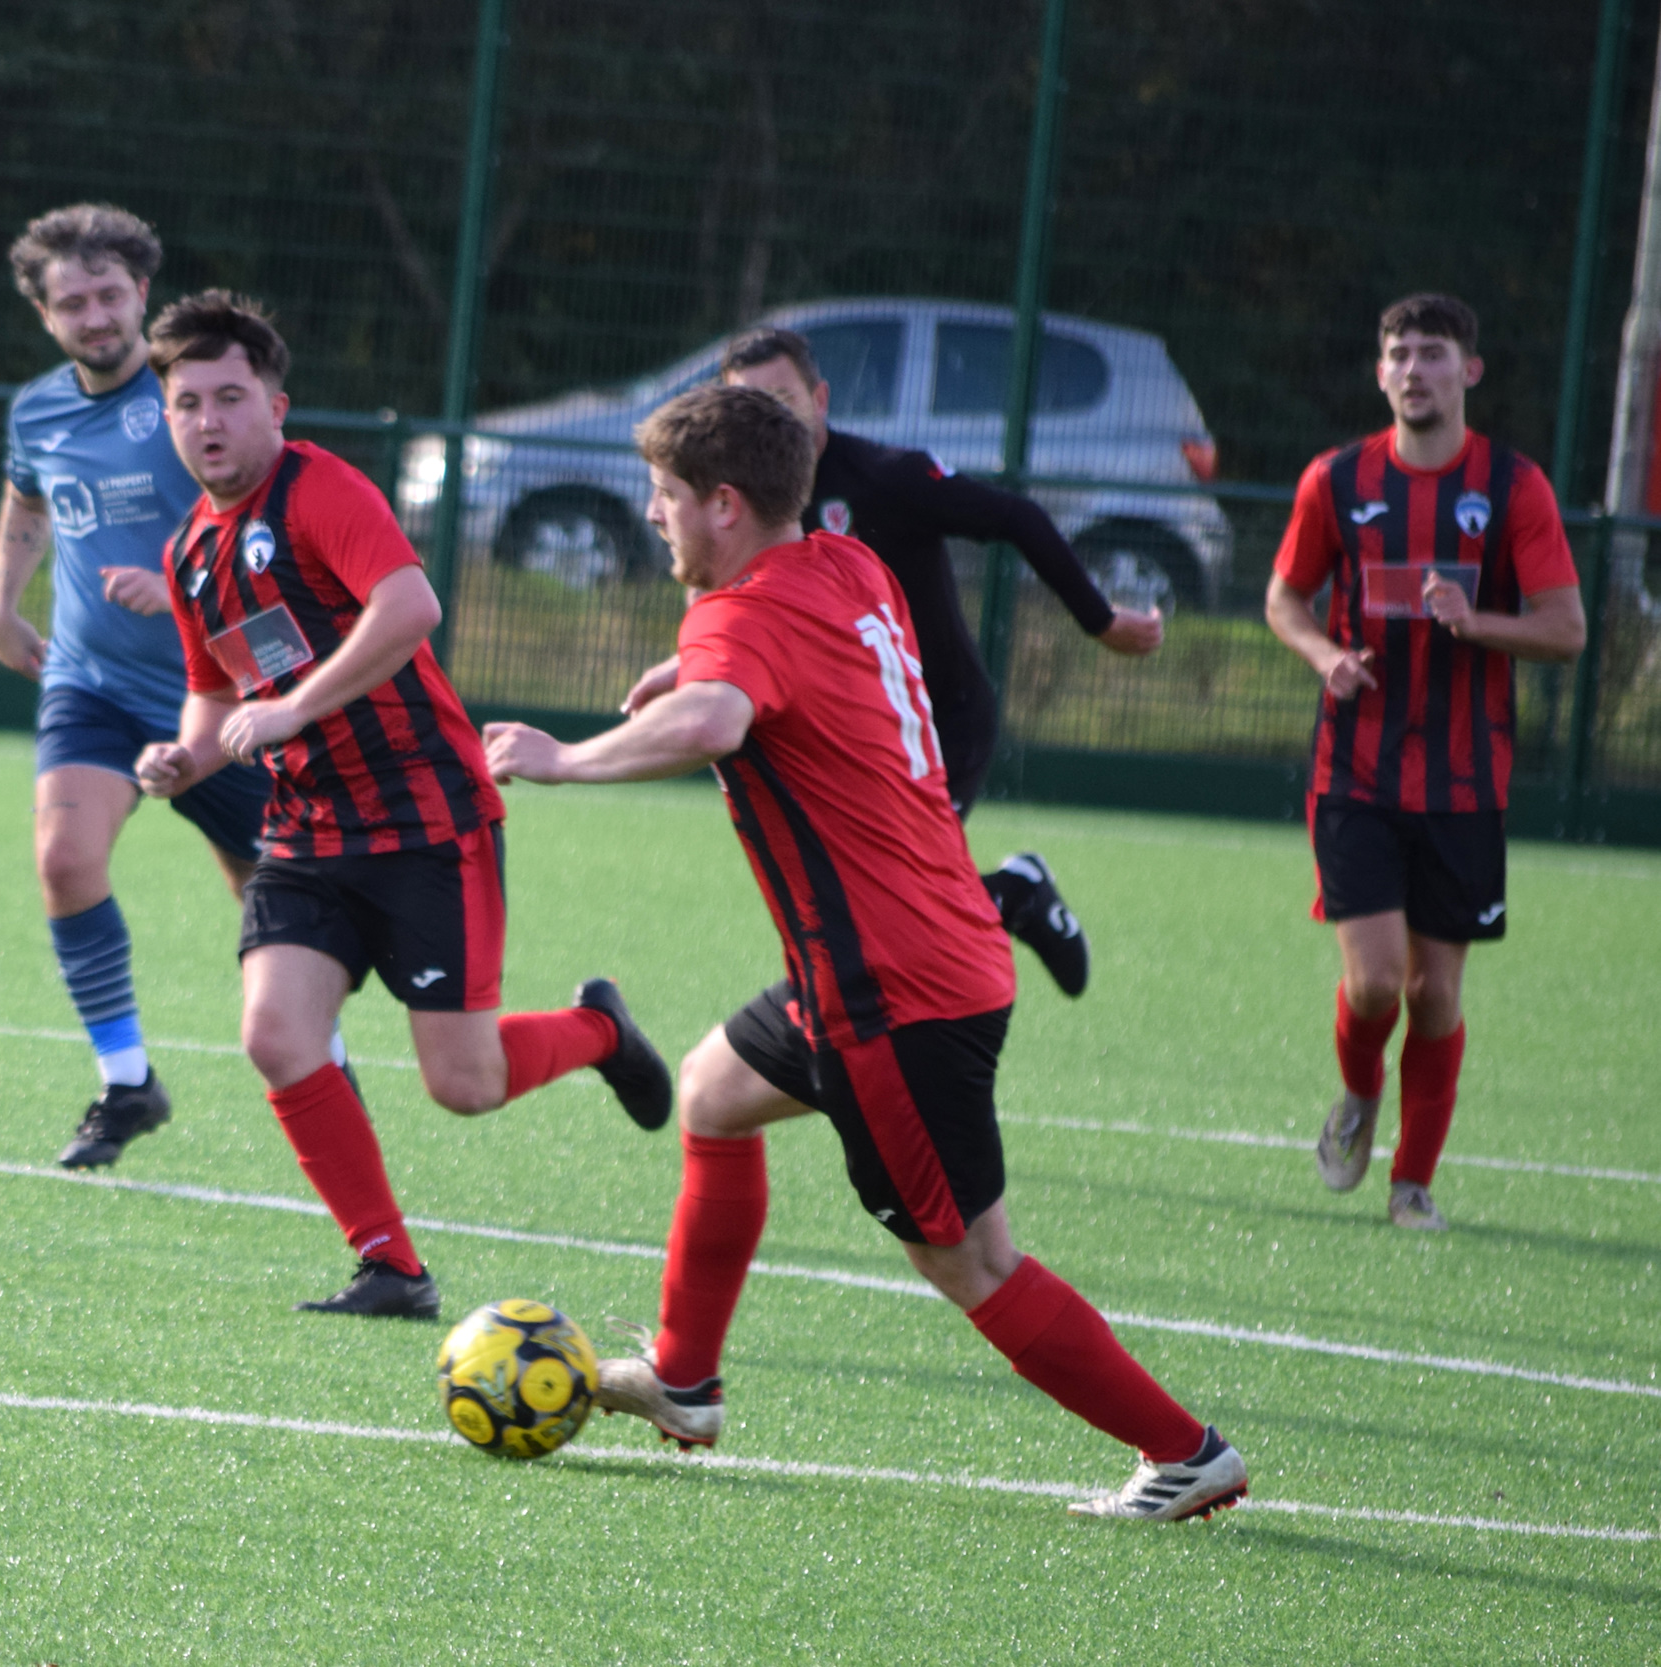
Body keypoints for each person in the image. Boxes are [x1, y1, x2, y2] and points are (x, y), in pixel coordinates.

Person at [486, 384, 1247, 1521]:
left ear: (726, 505)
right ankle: (683, 1381)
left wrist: (565, 756)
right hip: (915, 952)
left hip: (893, 994)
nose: (652, 516)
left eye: (665, 496)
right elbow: (757, 681)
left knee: (969, 1260)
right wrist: (690, 675)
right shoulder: (846, 563)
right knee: (710, 1091)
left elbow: (714, 721)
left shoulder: (737, 621)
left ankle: (1184, 1451)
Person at [131, 290, 673, 1318]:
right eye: (187, 402)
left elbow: (410, 604)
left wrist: (293, 706)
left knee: (461, 1082)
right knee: (276, 1032)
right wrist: (184, 759)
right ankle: (391, 1265)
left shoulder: (318, 489)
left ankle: (598, 1030)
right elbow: (211, 696)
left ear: (276, 406)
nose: (208, 420)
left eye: (230, 397)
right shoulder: (189, 554)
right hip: (305, 831)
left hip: (427, 817)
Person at [620, 328, 1167, 997]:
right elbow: (749, 623)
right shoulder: (725, 506)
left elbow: (1018, 517)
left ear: (820, 399)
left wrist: (1101, 620)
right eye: (747, 404)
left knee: (901, 903)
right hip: (841, 735)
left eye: (782, 398)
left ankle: (996, 906)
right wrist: (690, 667)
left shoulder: (886, 477)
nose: (767, 417)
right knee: (880, 898)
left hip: (935, 723)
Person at [0, 203, 295, 1171]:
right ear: (42, 314)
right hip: (94, 683)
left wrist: (180, 594)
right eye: (71, 301)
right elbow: (28, 496)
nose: (94, 316)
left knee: (276, 916)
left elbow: (279, 541)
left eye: (109, 294)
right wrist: (0, 600)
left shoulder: (198, 402)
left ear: (142, 293)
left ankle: (317, 1076)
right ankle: (125, 1081)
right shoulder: (36, 408)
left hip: (226, 700)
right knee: (64, 858)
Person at [1265, 293, 1584, 1232]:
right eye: (1399, 354)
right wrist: (1328, 659)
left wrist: (1473, 620)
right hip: (1355, 771)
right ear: (1380, 373)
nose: (1414, 369)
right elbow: (1285, 600)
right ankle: (1359, 1095)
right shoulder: (1336, 479)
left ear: (1469, 372)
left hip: (1464, 781)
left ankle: (1412, 1183)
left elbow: (1565, 629)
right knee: (1372, 983)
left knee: (1434, 992)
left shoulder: (1514, 485)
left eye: (1433, 354)